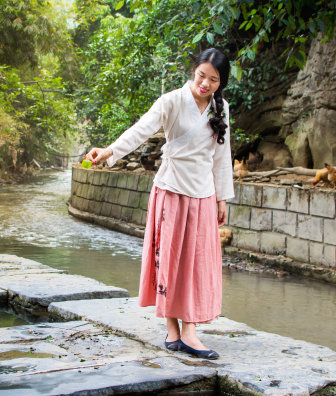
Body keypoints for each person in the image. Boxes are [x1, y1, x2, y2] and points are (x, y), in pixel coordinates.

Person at [85, 48, 234, 359]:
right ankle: (173, 330)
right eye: (201, 76)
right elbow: (140, 130)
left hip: (203, 194)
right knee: (170, 259)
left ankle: (190, 331)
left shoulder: (222, 109)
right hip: (171, 189)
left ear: (221, 83)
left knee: (196, 263)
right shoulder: (172, 101)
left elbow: (222, 156)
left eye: (213, 80)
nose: (204, 84)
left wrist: (222, 197)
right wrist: (109, 151)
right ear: (194, 71)